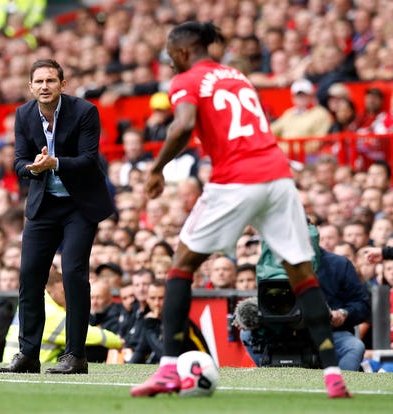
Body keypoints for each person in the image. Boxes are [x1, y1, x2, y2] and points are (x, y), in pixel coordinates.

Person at [131, 21, 351, 399]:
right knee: (301, 272)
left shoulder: (187, 80)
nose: (169, 65)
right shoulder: (237, 75)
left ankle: (168, 369)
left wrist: (156, 169)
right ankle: (333, 375)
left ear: (184, 52)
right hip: (278, 176)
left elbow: (182, 125)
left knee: (181, 264)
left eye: (171, 57)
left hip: (235, 178)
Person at [0, 59, 114, 375]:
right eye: (39, 82)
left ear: (63, 84)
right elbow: (18, 162)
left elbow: (89, 161)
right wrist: (31, 167)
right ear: (30, 87)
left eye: (51, 80)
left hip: (79, 205)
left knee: (74, 274)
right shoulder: (23, 114)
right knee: (30, 275)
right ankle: (28, 355)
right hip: (43, 205)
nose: (45, 86)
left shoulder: (85, 112)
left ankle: (76, 356)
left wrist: (54, 163)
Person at [241, 225, 369, 371]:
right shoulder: (270, 263)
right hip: (279, 330)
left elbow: (362, 305)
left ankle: (341, 385)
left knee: (354, 346)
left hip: (327, 331)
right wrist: (251, 315)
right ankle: (269, 373)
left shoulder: (339, 265)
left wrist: (343, 314)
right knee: (246, 333)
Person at [0, 266, 122, 365]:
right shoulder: (50, 312)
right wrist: (118, 341)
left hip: (14, 361)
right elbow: (85, 335)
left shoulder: (34, 305)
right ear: (49, 291)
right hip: (39, 363)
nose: (67, 297)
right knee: (89, 348)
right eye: (64, 292)